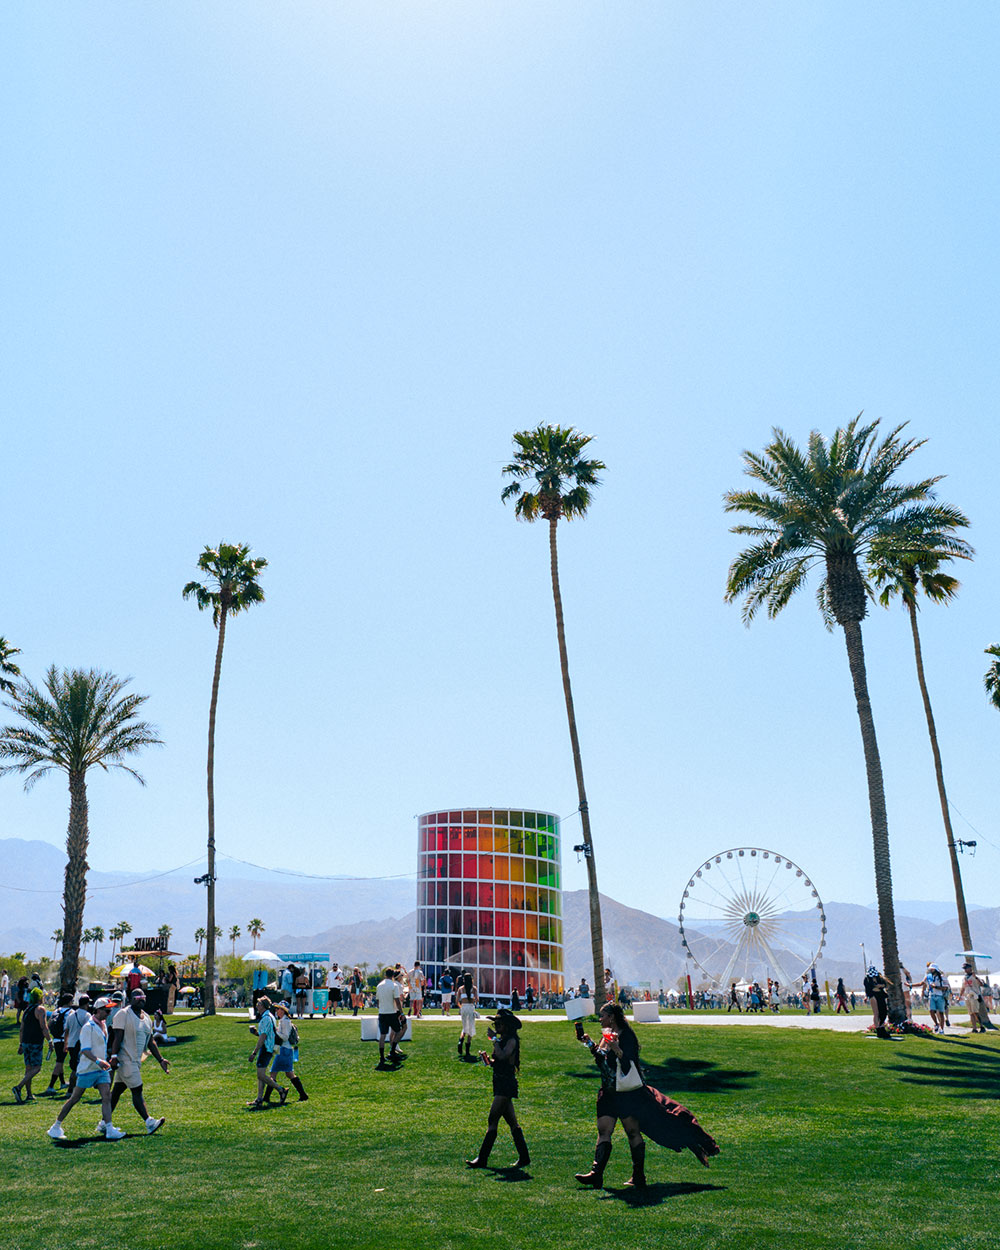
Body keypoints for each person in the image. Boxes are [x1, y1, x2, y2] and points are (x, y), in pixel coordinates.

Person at [574, 1003, 719, 1189]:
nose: (600, 1019)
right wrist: (589, 1043)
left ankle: (638, 1176)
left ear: (611, 1017)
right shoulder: (607, 1034)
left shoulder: (627, 1036)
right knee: (604, 1131)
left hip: (627, 1094)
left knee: (632, 1132)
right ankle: (596, 1174)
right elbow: (602, 1059)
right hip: (609, 1092)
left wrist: (617, 1049)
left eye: (602, 1016)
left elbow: (630, 1064)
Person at [46, 998, 125, 1140]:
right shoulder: (88, 1027)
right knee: (74, 1098)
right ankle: (55, 1126)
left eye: (110, 1010)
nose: (109, 1013)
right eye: (107, 1010)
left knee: (106, 1096)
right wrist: (98, 1061)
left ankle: (109, 1129)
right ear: (98, 1010)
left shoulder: (103, 1025)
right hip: (88, 1069)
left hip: (101, 1070)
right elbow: (85, 1050)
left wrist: (104, 1061)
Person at [466, 1008, 529, 1169]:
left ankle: (482, 1158)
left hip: (505, 1085)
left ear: (507, 1026)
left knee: (492, 1120)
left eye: (499, 1024)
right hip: (500, 1083)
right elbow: (498, 1061)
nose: (496, 1026)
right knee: (512, 1122)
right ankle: (524, 1157)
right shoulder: (503, 1040)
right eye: (496, 1023)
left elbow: (503, 1056)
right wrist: (488, 1060)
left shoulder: (511, 1041)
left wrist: (494, 1040)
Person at [107, 989, 169, 1134]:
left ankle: (104, 1122)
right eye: (137, 996)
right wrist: (114, 1056)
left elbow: (151, 1041)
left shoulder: (147, 1018)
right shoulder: (123, 1014)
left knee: (116, 1092)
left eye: (143, 996)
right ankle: (149, 1122)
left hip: (135, 1061)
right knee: (137, 1090)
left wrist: (160, 1059)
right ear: (130, 999)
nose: (141, 999)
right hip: (125, 1059)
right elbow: (117, 1037)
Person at [247, 996, 288, 1107]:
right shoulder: (269, 1016)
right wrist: (256, 1032)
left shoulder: (265, 1018)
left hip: (266, 1048)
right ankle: (259, 1099)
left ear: (263, 1006)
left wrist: (254, 1052)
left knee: (260, 1075)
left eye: (259, 1004)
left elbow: (263, 1037)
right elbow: (264, 1034)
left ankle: (281, 1090)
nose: (257, 1006)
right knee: (261, 1075)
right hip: (269, 1047)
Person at [265, 1001, 308, 1102]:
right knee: (289, 1074)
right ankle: (303, 1094)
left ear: (283, 1010)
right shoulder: (283, 1020)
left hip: (284, 1050)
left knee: (273, 1074)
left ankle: (266, 1097)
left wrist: (275, 1031)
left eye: (278, 1009)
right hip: (286, 1050)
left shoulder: (285, 1021)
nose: (276, 1011)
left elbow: (285, 1037)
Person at [13, 986, 50, 1103]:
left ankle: (29, 1094)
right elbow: (43, 1027)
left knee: (28, 1069)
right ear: (40, 998)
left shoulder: (27, 1010)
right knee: (37, 1068)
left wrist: (20, 1044)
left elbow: (21, 1029)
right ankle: (18, 1087)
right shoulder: (40, 1010)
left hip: (25, 1042)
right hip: (35, 1042)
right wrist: (50, 1041)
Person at [41, 992, 74, 1095]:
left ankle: (62, 1082)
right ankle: (50, 1086)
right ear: (69, 1002)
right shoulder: (71, 1012)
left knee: (60, 1060)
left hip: (56, 1039)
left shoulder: (56, 1010)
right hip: (64, 1040)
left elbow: (49, 1023)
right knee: (59, 1062)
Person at [375, 969, 405, 1067]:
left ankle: (381, 1057)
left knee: (382, 1035)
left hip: (382, 1013)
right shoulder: (394, 986)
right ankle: (392, 1050)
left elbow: (378, 1001)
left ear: (385, 975)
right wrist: (401, 1013)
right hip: (391, 1013)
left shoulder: (379, 986)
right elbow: (397, 1000)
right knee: (398, 1031)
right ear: (392, 976)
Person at [64, 994, 92, 1092]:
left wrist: (65, 1044)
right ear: (86, 1004)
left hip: (71, 1043)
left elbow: (66, 1030)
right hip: (80, 1044)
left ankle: (73, 1088)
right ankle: (73, 1089)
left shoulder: (71, 1015)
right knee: (77, 1068)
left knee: (75, 1067)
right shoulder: (87, 1015)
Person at [864, 966, 891, 1037]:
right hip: (873, 996)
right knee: (876, 1013)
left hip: (881, 995)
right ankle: (878, 1029)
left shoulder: (879, 978)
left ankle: (882, 1027)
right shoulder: (867, 980)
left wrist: (880, 986)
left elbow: (885, 985)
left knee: (883, 1011)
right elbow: (869, 989)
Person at [456, 972, 478, 1059]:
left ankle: (460, 1041)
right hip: (471, 1007)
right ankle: (467, 1050)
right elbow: (477, 999)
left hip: (464, 1008)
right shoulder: (474, 989)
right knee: (470, 1028)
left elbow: (457, 1001)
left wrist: (461, 1007)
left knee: (465, 1027)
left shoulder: (460, 989)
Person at [960, 963, 987, 1033]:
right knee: (971, 1013)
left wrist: (975, 977)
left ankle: (981, 1026)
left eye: (966, 968)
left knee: (975, 1012)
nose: (965, 970)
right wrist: (960, 995)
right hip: (967, 996)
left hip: (974, 996)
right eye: (964, 969)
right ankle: (974, 1028)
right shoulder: (964, 978)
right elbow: (963, 987)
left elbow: (981, 984)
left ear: (970, 968)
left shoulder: (974, 977)